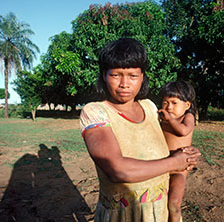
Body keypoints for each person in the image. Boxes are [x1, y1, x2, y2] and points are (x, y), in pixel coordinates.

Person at [79, 38, 201, 222]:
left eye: (133, 76)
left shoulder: (150, 107)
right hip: (121, 216)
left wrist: (186, 154)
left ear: (142, 77)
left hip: (159, 212)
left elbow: (163, 146)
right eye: (116, 75)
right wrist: (175, 163)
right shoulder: (95, 112)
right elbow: (117, 169)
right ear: (104, 75)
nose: (124, 83)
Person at [158, 81, 197, 222]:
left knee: (174, 204)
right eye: (165, 103)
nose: (169, 107)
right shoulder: (161, 120)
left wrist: (170, 120)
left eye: (174, 103)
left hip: (179, 171)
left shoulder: (187, 117)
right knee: (159, 202)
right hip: (162, 166)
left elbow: (183, 131)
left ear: (186, 105)